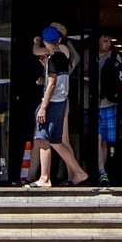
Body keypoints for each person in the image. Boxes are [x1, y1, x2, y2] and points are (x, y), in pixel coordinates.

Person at [28, 26, 89, 187]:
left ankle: (45, 178)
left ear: (46, 42)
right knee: (54, 141)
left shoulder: (53, 58)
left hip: (52, 102)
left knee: (43, 138)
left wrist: (43, 106)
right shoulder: (61, 56)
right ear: (59, 39)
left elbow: (52, 84)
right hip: (60, 101)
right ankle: (78, 172)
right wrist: (46, 67)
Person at [91, 32, 122, 184]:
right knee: (97, 137)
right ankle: (101, 171)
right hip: (92, 102)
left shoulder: (114, 58)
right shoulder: (89, 56)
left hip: (108, 102)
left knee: (104, 141)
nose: (108, 43)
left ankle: (102, 172)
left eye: (110, 41)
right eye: (105, 40)